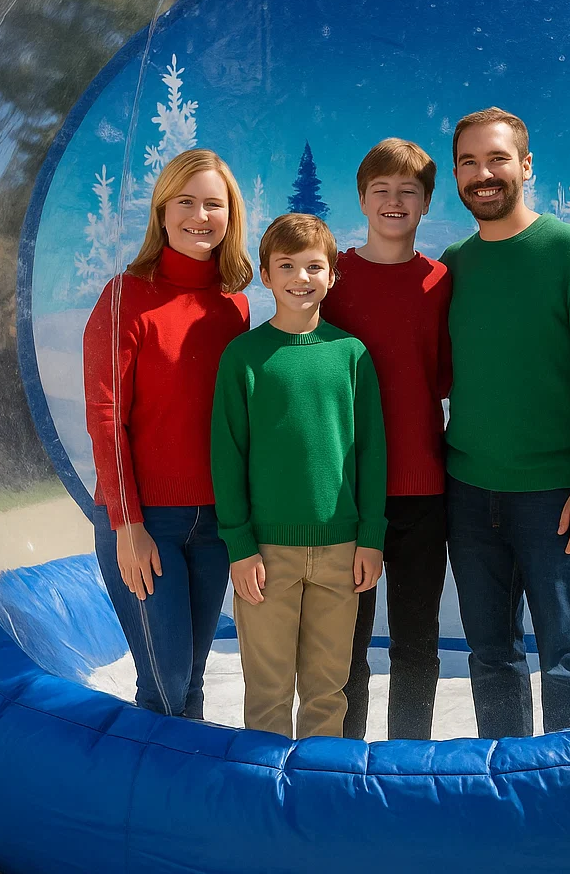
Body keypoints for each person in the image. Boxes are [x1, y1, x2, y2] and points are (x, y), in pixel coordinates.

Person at [441, 107, 570, 738]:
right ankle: (507, 778)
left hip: (556, 497)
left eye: (497, 159)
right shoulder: (455, 264)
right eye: (468, 162)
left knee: (567, 657)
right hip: (469, 495)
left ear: (525, 166)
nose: (483, 174)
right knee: (491, 655)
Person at [83, 148, 253, 718]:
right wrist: (127, 523)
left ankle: (190, 777)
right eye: (185, 202)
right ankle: (140, 779)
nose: (199, 216)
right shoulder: (125, 296)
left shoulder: (234, 307)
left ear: (230, 216)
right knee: (165, 681)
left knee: (193, 682)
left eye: (214, 204)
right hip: (146, 521)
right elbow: (106, 417)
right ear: (161, 212)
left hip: (215, 523)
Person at [211, 213, 388, 739]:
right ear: (266, 274)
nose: (300, 277)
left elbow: (371, 453)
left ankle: (319, 784)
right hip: (266, 556)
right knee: (267, 691)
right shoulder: (244, 357)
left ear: (332, 275)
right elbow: (227, 456)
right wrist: (240, 546)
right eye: (286, 265)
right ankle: (265, 787)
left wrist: (371, 538)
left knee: (327, 690)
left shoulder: (351, 355)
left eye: (313, 266)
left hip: (341, 551)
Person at [321, 138, 452, 740]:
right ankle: (344, 757)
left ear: (426, 202)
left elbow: (445, 375)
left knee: (416, 642)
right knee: (346, 642)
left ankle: (409, 757)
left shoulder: (441, 282)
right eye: (382, 190)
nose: (394, 201)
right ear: (362, 199)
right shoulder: (333, 279)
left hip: (422, 488)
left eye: (408, 191)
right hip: (347, 493)